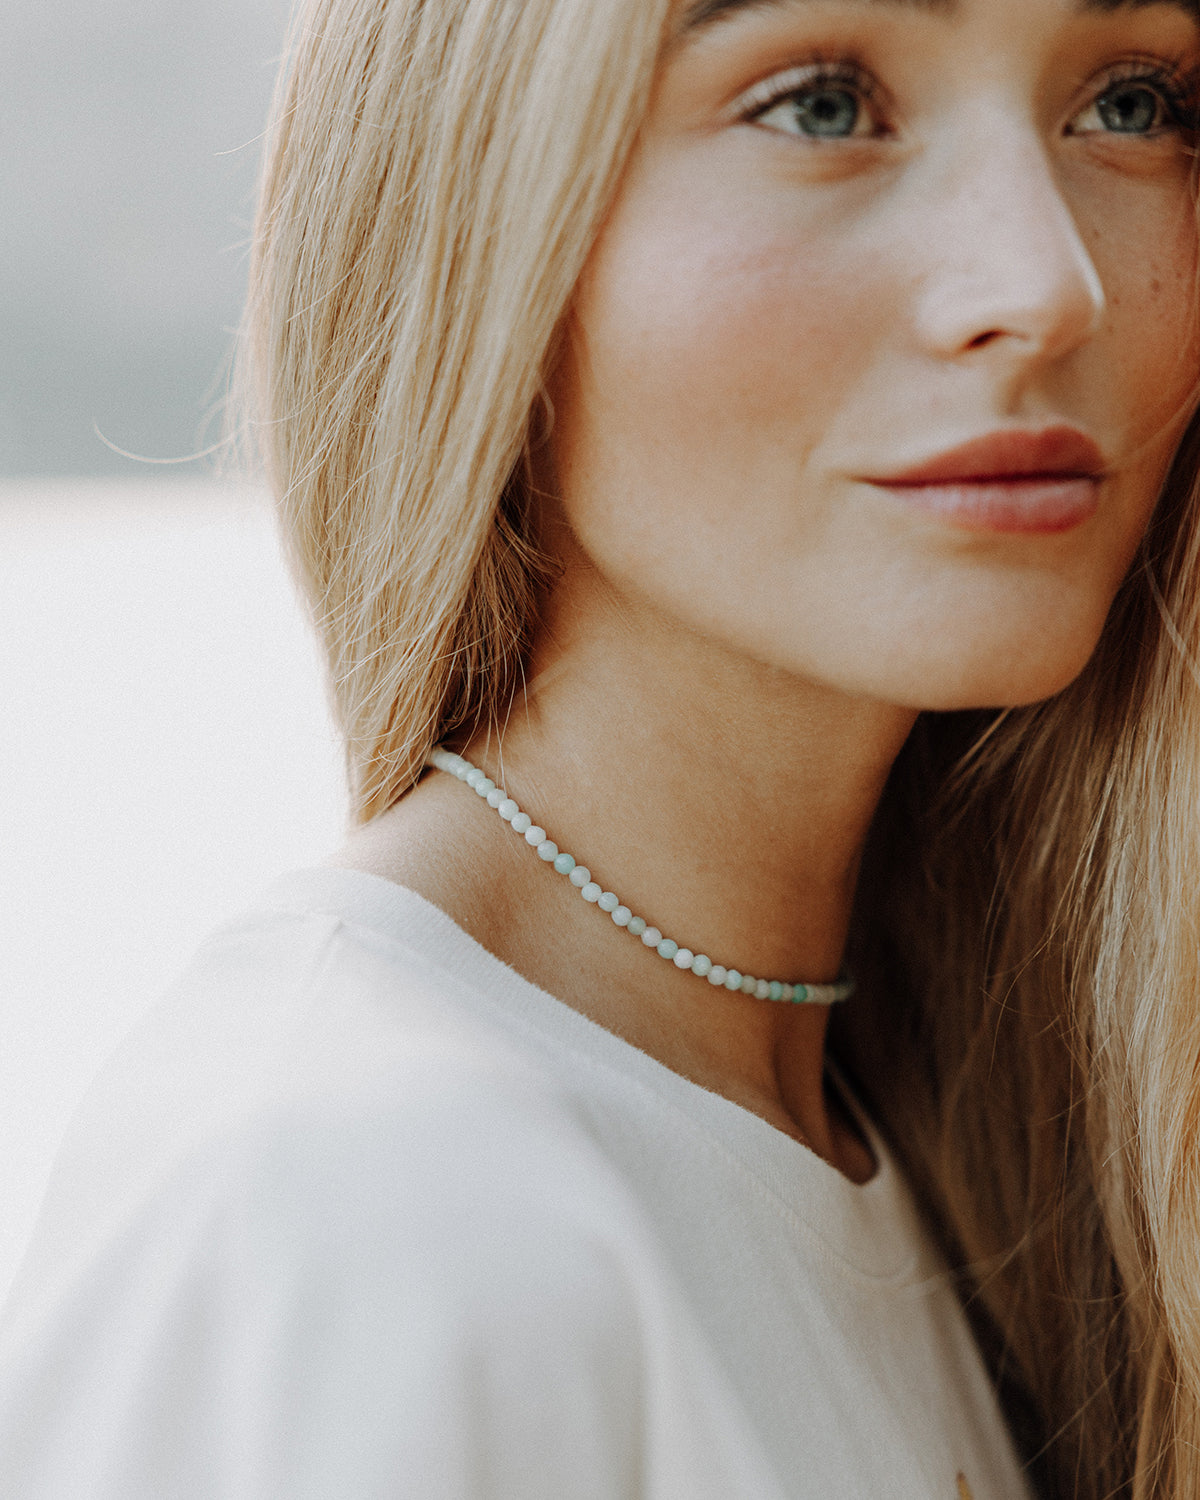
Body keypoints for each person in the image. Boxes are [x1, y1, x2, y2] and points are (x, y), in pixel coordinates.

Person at [3, 0, 1200, 1494]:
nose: (1046, 282)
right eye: (822, 104)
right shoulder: (355, 1209)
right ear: (482, 200)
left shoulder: (909, 1135)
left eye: (1136, 102)